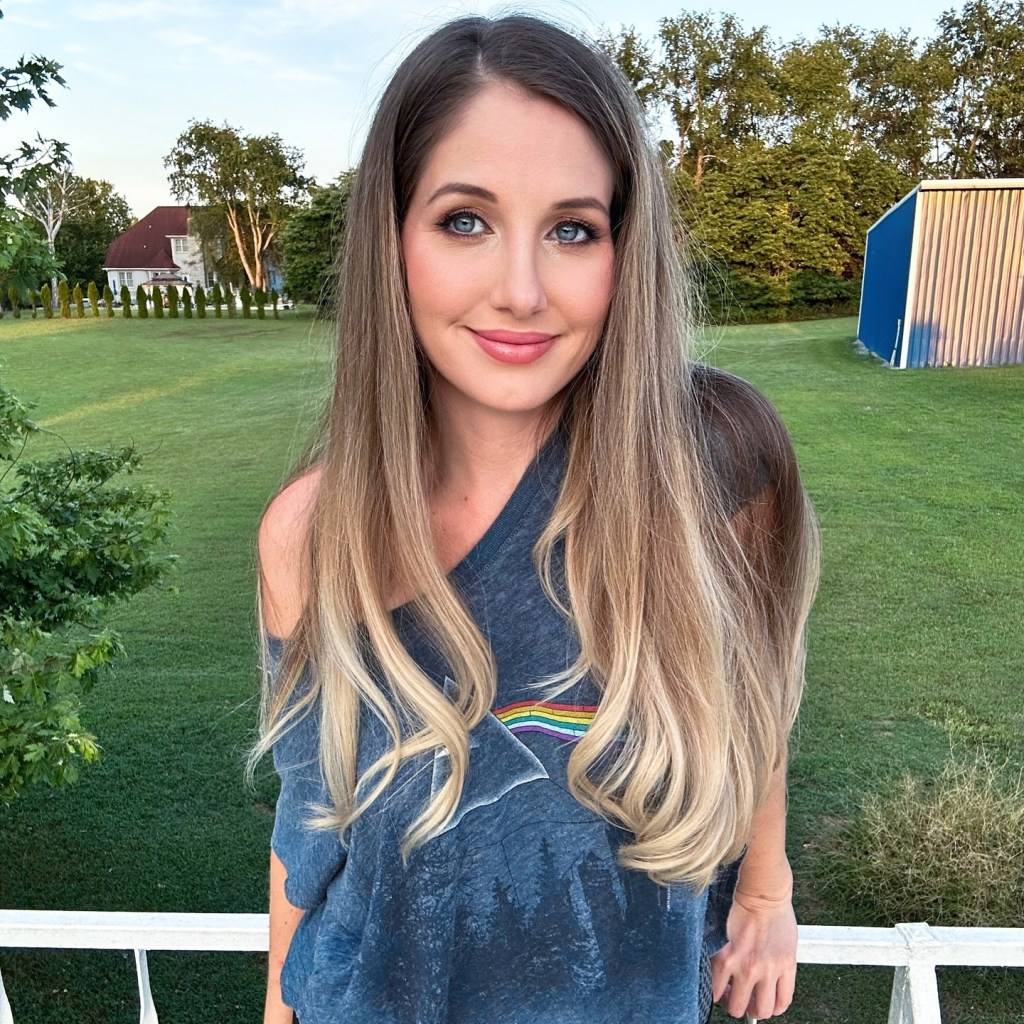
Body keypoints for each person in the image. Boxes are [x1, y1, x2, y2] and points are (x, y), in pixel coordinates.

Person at [254, 14, 819, 1024]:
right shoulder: (311, 532)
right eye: (464, 220)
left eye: (571, 230)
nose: (520, 291)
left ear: (622, 250)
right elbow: (310, 822)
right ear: (395, 240)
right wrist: (276, 1006)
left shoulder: (714, 466)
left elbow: (755, 699)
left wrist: (766, 888)